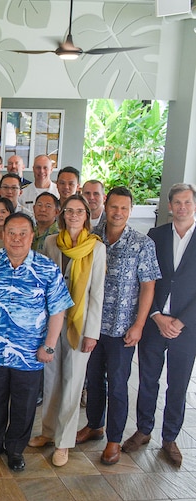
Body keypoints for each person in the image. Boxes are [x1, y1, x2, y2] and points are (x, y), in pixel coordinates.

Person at [0, 213, 72, 472]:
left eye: (22, 234)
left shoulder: (47, 267)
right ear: (3, 235)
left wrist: (49, 345)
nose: (16, 239)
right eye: (11, 233)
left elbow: (58, 310)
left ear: (32, 237)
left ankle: (15, 449)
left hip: (31, 352)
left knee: (24, 403)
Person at [77, 187, 161, 466]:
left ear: (130, 210)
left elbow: (148, 286)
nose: (118, 212)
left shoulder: (141, 243)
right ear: (104, 205)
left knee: (117, 385)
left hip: (122, 328)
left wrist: (139, 325)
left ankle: (113, 438)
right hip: (92, 325)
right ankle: (94, 425)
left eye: (124, 208)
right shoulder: (91, 237)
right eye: (114, 206)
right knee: (93, 379)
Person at [27, 194, 105, 467]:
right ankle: (48, 432)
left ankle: (64, 442)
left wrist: (92, 332)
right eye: (69, 211)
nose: (73, 215)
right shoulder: (51, 243)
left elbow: (97, 292)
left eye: (79, 211)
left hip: (80, 324)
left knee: (73, 383)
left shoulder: (96, 248)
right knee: (52, 380)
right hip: (53, 323)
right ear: (63, 215)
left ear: (87, 215)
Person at [124, 184, 196, 467]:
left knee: (177, 384)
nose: (182, 207)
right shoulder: (155, 236)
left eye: (187, 202)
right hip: (154, 323)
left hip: (186, 328)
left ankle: (170, 437)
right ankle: (143, 429)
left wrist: (181, 321)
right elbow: (145, 280)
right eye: (176, 202)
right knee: (147, 380)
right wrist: (155, 315)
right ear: (169, 206)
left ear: (194, 204)